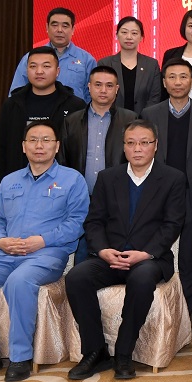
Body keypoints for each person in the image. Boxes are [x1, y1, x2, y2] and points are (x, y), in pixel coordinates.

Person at [0, 122, 88, 382]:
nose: (39, 145)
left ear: (57, 146)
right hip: (4, 254)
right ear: (24, 147)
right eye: (33, 140)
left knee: (19, 281)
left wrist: (43, 240)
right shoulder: (9, 181)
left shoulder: (72, 180)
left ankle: (20, 357)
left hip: (47, 255)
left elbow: (77, 222)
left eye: (46, 140)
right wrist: (0, 240)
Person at [65, 120, 186, 381]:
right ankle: (95, 351)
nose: (137, 148)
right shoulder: (108, 178)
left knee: (142, 279)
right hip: (111, 256)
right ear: (124, 147)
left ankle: (123, 352)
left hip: (149, 259)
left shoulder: (173, 178)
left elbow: (172, 224)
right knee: (76, 277)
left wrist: (145, 253)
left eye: (144, 143)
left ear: (155, 145)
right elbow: (94, 222)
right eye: (131, 143)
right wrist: (103, 250)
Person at [141, 59, 192, 313]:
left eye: (183, 77)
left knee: (188, 259)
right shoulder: (150, 114)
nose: (178, 82)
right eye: (172, 77)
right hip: (158, 196)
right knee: (155, 255)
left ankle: (185, 314)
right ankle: (158, 314)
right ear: (164, 82)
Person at [57, 66, 137, 263]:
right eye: (98, 85)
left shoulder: (131, 119)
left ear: (117, 89)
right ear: (89, 87)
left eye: (109, 86)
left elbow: (137, 160)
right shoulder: (72, 121)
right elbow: (62, 160)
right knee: (83, 253)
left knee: (116, 249)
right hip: (81, 197)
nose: (103, 90)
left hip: (118, 197)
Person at [0, 47, 86, 191]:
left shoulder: (75, 105)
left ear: (57, 71)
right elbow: (0, 149)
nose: (39, 71)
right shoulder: (12, 105)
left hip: (61, 188)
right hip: (18, 186)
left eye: (46, 66)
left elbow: (80, 151)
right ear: (26, 70)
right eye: (33, 66)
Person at [9, 7, 96, 103]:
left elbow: (93, 97)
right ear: (47, 28)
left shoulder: (87, 60)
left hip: (74, 111)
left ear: (73, 29)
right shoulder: (30, 58)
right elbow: (16, 93)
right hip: (38, 110)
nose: (59, 30)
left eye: (65, 26)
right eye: (54, 25)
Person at [98, 16, 162, 115]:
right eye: (124, 32)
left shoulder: (151, 65)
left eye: (134, 33)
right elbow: (101, 95)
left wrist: (142, 119)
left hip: (144, 121)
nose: (129, 37)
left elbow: (155, 97)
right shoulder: (105, 64)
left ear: (141, 37)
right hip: (112, 119)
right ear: (117, 35)